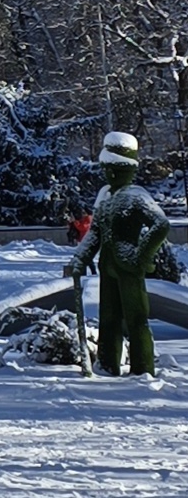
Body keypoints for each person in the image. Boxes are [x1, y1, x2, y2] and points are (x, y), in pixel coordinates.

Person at [67, 132, 171, 377]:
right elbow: (95, 233)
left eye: (116, 169)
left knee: (136, 319)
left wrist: (142, 256)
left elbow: (161, 225)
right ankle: (107, 364)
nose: (110, 174)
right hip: (108, 266)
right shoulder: (105, 196)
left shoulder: (136, 196)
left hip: (129, 267)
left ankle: (142, 369)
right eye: (108, 169)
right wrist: (81, 258)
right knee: (109, 319)